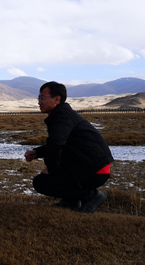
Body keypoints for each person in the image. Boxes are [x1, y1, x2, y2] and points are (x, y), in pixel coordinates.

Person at [24, 82, 113, 213]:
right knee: (53, 172)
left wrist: (53, 170)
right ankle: (71, 202)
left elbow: (56, 144)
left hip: (95, 169)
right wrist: (37, 152)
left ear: (57, 99)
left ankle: (92, 196)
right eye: (39, 98)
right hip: (93, 165)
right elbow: (62, 144)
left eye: (42, 98)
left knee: (42, 182)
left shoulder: (62, 116)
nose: (39, 102)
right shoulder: (63, 114)